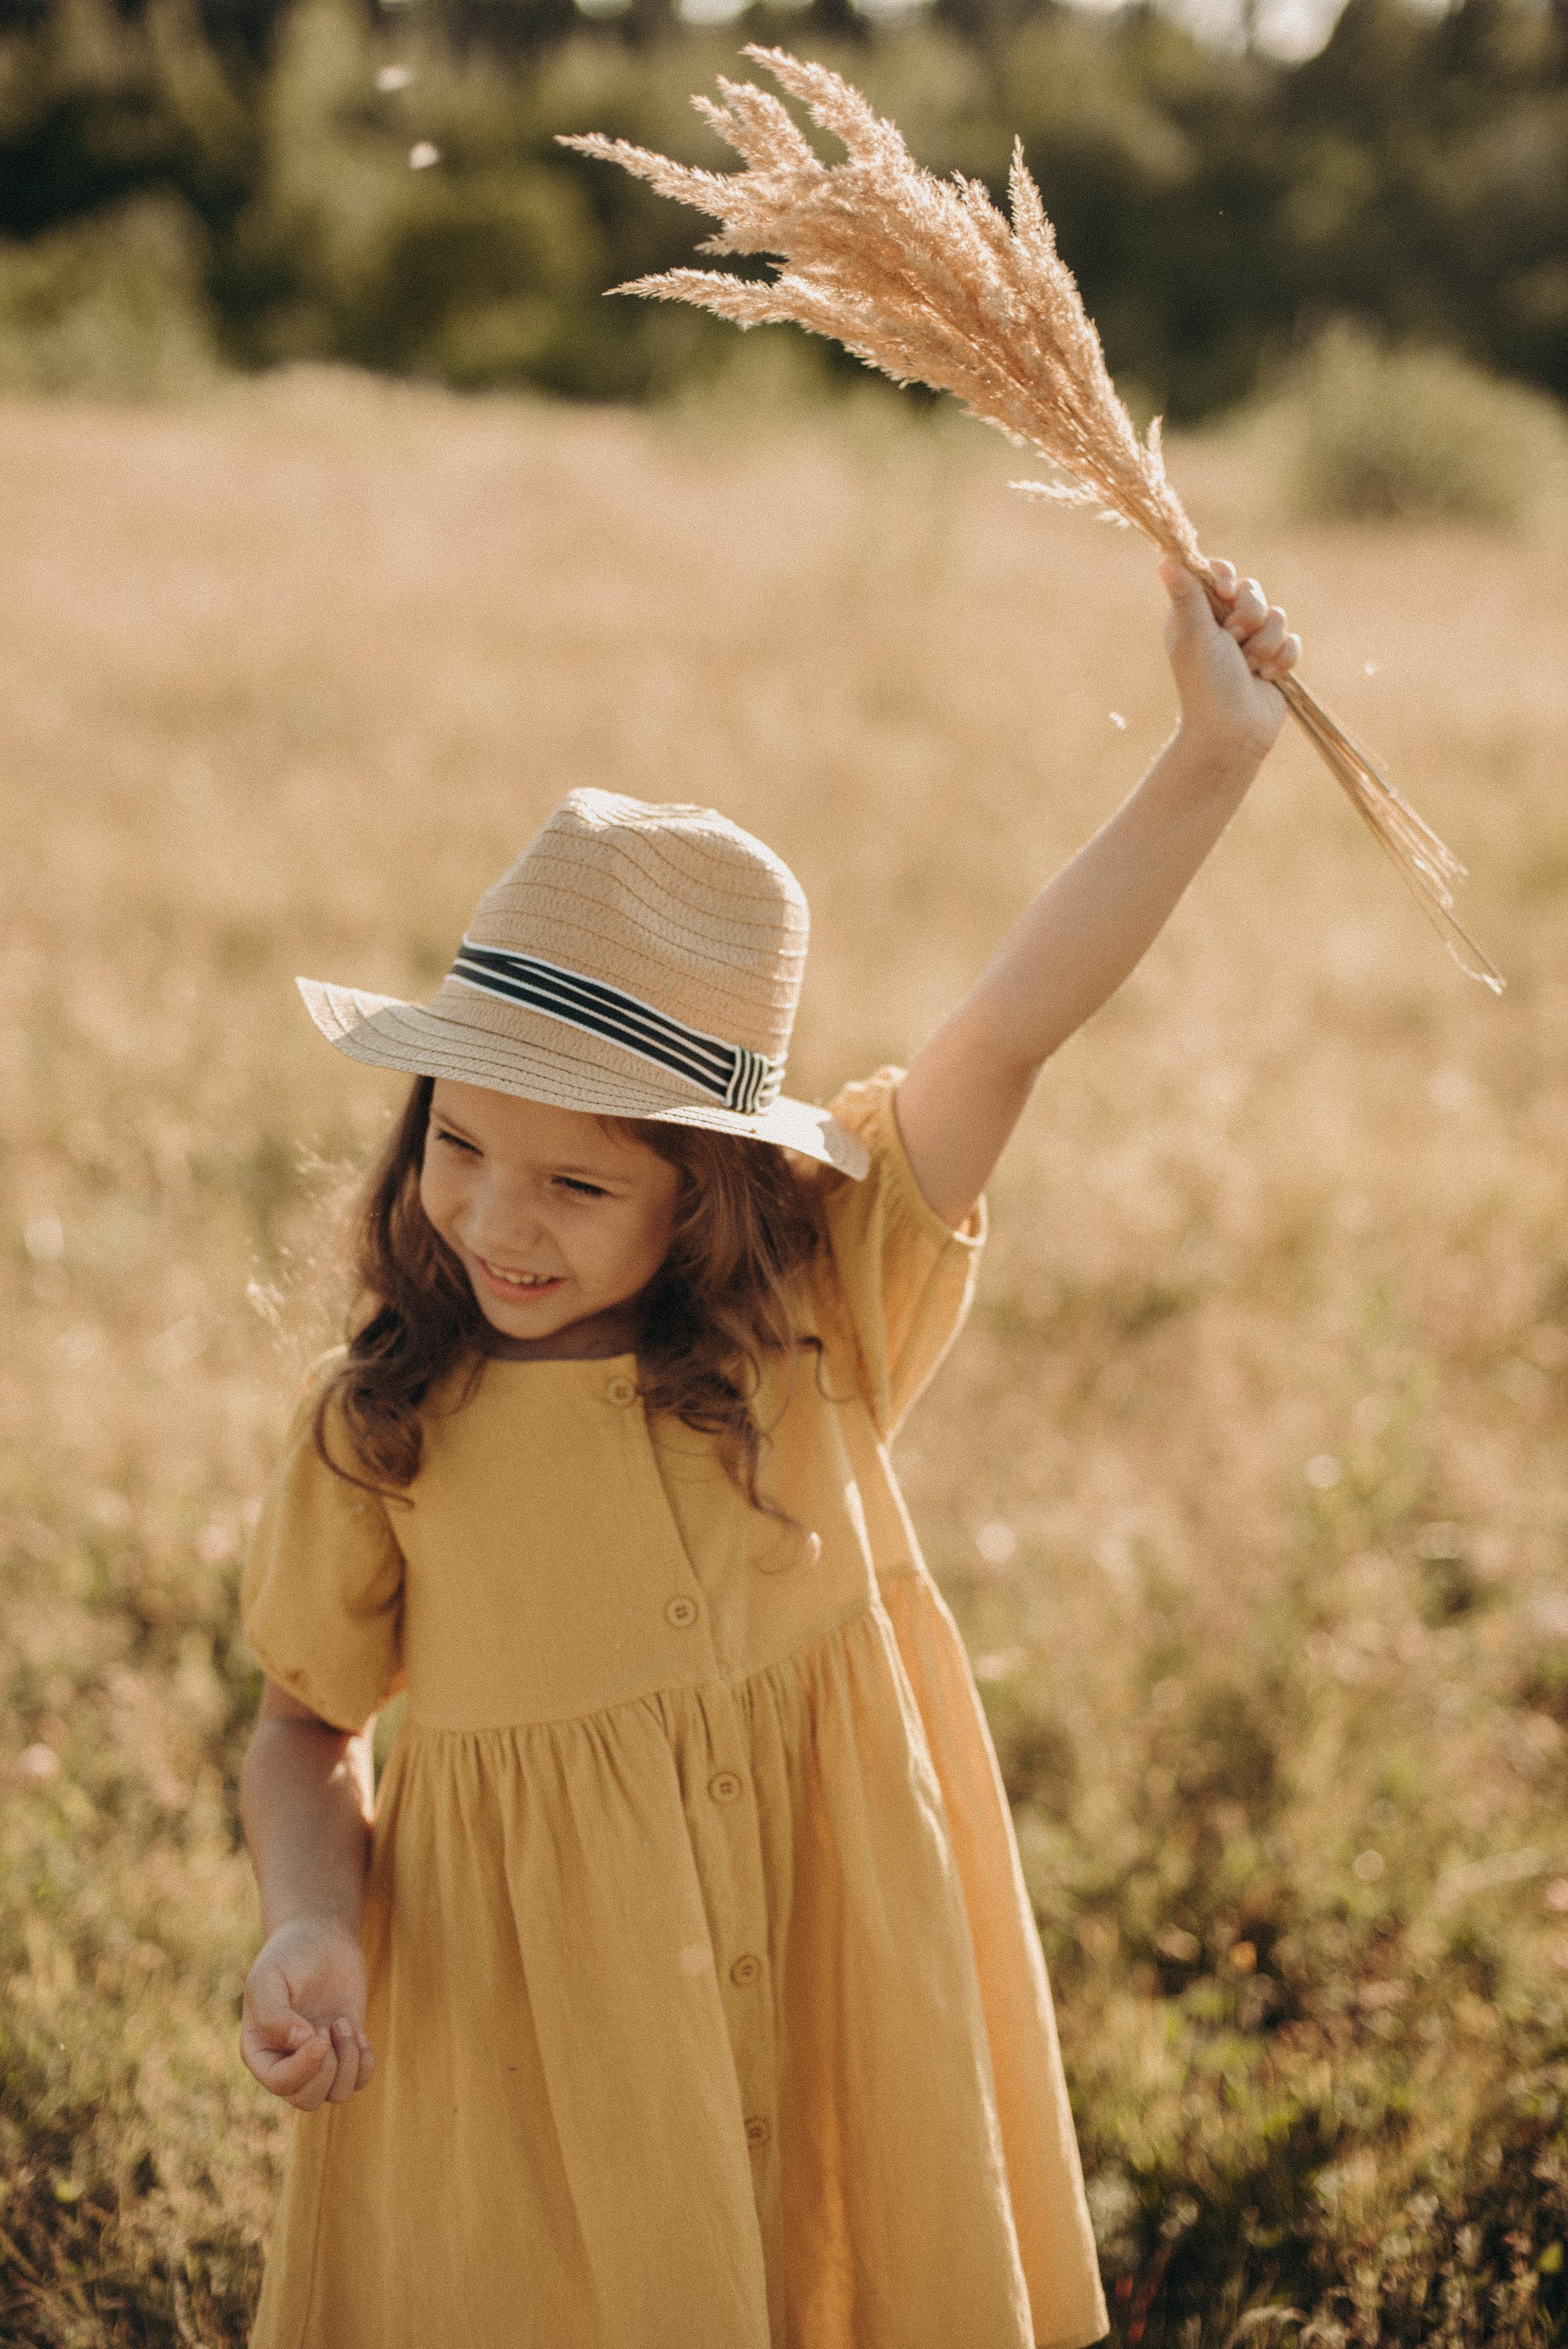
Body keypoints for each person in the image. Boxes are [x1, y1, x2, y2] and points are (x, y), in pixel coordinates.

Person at [238, 558, 1300, 2349]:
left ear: (709, 1193)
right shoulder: (385, 1426)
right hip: (548, 2059)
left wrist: (1207, 755)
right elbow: (301, 1727)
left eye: (579, 1183)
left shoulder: (810, 1304)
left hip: (833, 1985)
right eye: (461, 1145)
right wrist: (308, 1923)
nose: (498, 1217)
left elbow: (1010, 1028)